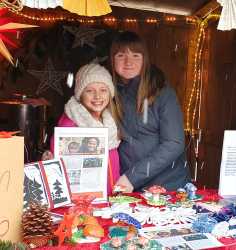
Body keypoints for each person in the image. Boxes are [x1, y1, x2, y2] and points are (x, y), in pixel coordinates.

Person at [110, 31, 191, 192]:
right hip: (128, 186)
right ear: (112, 59)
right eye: (121, 55)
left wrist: (133, 176)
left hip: (166, 187)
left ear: (144, 59)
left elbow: (174, 143)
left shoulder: (162, 92)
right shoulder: (109, 92)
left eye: (136, 55)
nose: (128, 62)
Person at [43, 63, 120, 194]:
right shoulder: (69, 124)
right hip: (84, 199)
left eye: (103, 90)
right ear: (80, 94)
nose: (97, 96)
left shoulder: (109, 120)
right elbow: (58, 163)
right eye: (89, 90)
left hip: (110, 194)